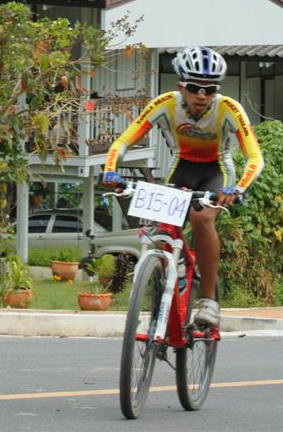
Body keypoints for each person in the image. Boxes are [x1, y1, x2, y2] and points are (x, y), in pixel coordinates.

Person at [101, 46, 264, 327]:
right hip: (181, 170)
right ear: (181, 87)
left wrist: (237, 188)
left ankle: (209, 300)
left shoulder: (229, 108)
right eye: (194, 88)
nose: (201, 95)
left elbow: (255, 157)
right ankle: (168, 281)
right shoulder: (165, 103)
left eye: (209, 90)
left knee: (202, 219)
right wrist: (111, 171)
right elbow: (124, 141)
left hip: (217, 173)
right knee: (161, 229)